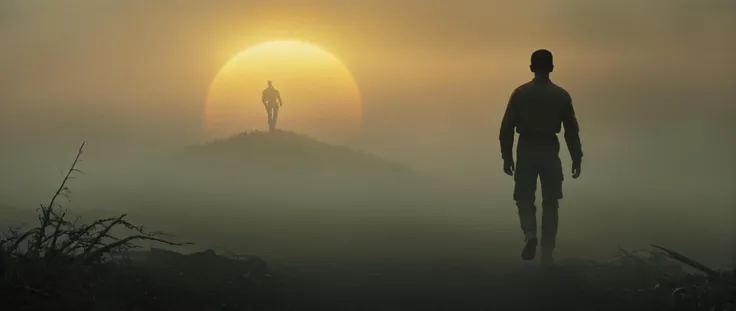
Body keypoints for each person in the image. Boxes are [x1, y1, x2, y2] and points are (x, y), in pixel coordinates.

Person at [498, 49, 583, 266]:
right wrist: (576, 157)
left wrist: (506, 155)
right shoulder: (561, 95)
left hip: (526, 147)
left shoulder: (520, 93)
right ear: (552, 67)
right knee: (551, 202)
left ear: (531, 67)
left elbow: (506, 127)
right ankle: (547, 251)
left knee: (524, 198)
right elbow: (571, 130)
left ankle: (529, 233)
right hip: (549, 148)